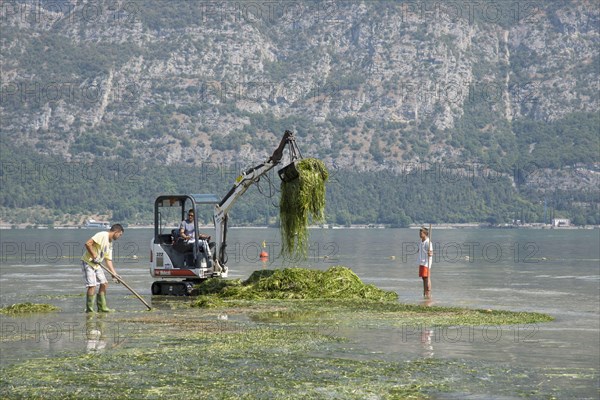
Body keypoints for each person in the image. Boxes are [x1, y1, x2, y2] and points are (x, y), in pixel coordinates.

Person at [81, 224, 124, 312]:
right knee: (92, 285)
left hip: (97, 264)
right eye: (120, 235)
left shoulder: (110, 243)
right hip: (88, 262)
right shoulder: (102, 235)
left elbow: (108, 260)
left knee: (104, 283)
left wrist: (114, 274)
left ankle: (102, 308)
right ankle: (89, 310)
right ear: (116, 232)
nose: (120, 237)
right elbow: (88, 243)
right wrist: (94, 255)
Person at [418, 226, 433, 299]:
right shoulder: (421, 241)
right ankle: (424, 292)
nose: (420, 234)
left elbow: (431, 252)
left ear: (425, 234)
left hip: (426, 263)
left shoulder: (428, 242)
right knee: (423, 278)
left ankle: (428, 292)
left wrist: (430, 253)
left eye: (421, 233)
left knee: (427, 278)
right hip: (421, 262)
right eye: (419, 233)